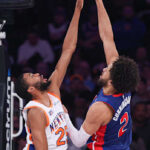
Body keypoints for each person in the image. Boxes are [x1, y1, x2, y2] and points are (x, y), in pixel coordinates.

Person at [64, 0, 140, 149]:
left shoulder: (100, 108)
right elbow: (107, 37)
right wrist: (99, 2)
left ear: (111, 82)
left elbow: (79, 141)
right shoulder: (123, 84)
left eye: (108, 70)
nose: (104, 68)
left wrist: (64, 114)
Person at [15, 0, 83, 149]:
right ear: (31, 89)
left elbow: (68, 50)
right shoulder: (35, 112)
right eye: (33, 76)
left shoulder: (52, 90)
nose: (38, 74)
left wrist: (77, 11)